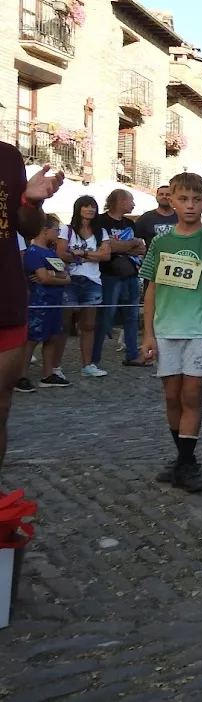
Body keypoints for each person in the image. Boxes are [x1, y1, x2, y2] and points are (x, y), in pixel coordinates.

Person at [140, 173, 202, 494]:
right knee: (171, 396)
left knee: (192, 396)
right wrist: (148, 334)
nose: (190, 206)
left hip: (200, 329)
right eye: (183, 199)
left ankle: (186, 462)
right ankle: (183, 460)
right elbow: (151, 290)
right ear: (172, 200)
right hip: (166, 329)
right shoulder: (160, 242)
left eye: (196, 200)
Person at [0, 153, 64, 473]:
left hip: (5, 296)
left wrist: (31, 202)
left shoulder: (8, 158)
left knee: (1, 404)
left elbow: (26, 228)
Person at [54, 195, 111, 378]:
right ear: (78, 209)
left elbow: (106, 256)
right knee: (63, 324)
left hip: (92, 280)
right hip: (70, 279)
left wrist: (81, 252)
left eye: (93, 206)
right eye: (86, 206)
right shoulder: (67, 230)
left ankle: (87, 365)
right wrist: (92, 254)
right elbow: (62, 253)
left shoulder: (101, 232)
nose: (90, 209)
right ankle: (55, 366)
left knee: (88, 325)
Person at [93, 188, 148, 368]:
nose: (133, 205)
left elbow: (141, 249)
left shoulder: (130, 224)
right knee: (105, 316)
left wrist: (123, 246)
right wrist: (130, 244)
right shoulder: (100, 221)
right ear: (121, 201)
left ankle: (132, 355)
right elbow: (108, 248)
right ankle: (94, 359)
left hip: (130, 274)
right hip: (109, 275)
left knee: (132, 316)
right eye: (131, 201)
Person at [16, 214, 71, 394]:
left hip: (54, 302)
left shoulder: (51, 252)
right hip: (38, 302)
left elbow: (65, 275)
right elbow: (43, 277)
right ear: (45, 230)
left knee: (53, 337)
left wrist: (53, 276)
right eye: (56, 230)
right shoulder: (33, 253)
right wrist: (54, 276)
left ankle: (48, 375)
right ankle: (20, 377)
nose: (58, 234)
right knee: (31, 340)